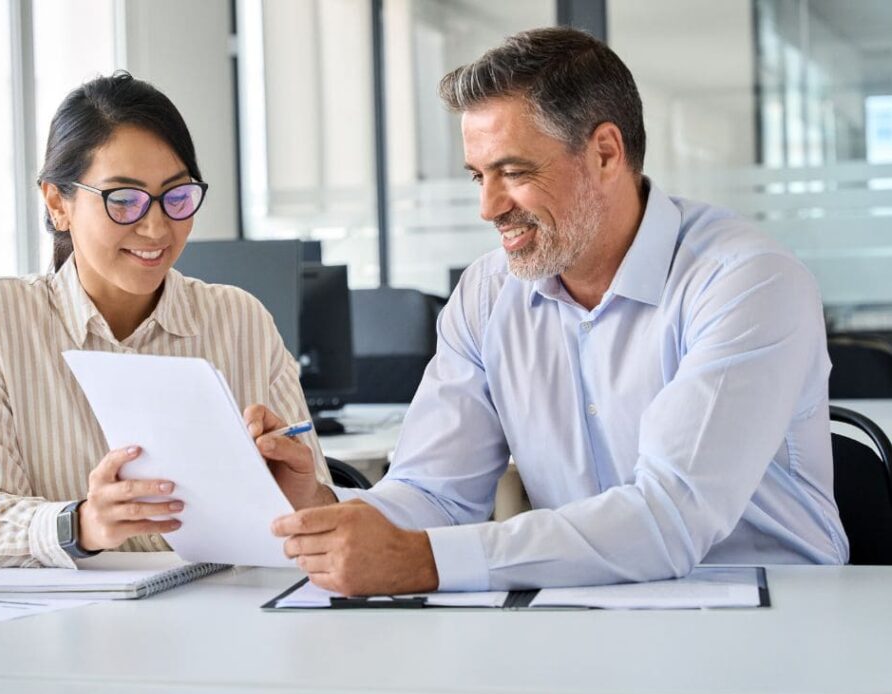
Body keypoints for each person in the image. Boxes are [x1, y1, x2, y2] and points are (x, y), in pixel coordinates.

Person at [250, 26, 847, 596]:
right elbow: (435, 491)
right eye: (478, 176)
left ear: (606, 153)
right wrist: (323, 519)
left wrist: (423, 561)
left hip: (772, 608)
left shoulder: (746, 282)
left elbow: (670, 516)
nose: (488, 207)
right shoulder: (488, 294)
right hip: (584, 606)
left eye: (513, 172)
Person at [0, 72, 329, 573]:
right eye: (123, 199)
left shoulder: (239, 319)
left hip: (225, 617)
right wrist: (82, 524)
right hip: (65, 630)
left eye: (177, 196)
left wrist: (305, 495)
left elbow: (316, 515)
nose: (157, 226)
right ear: (58, 203)